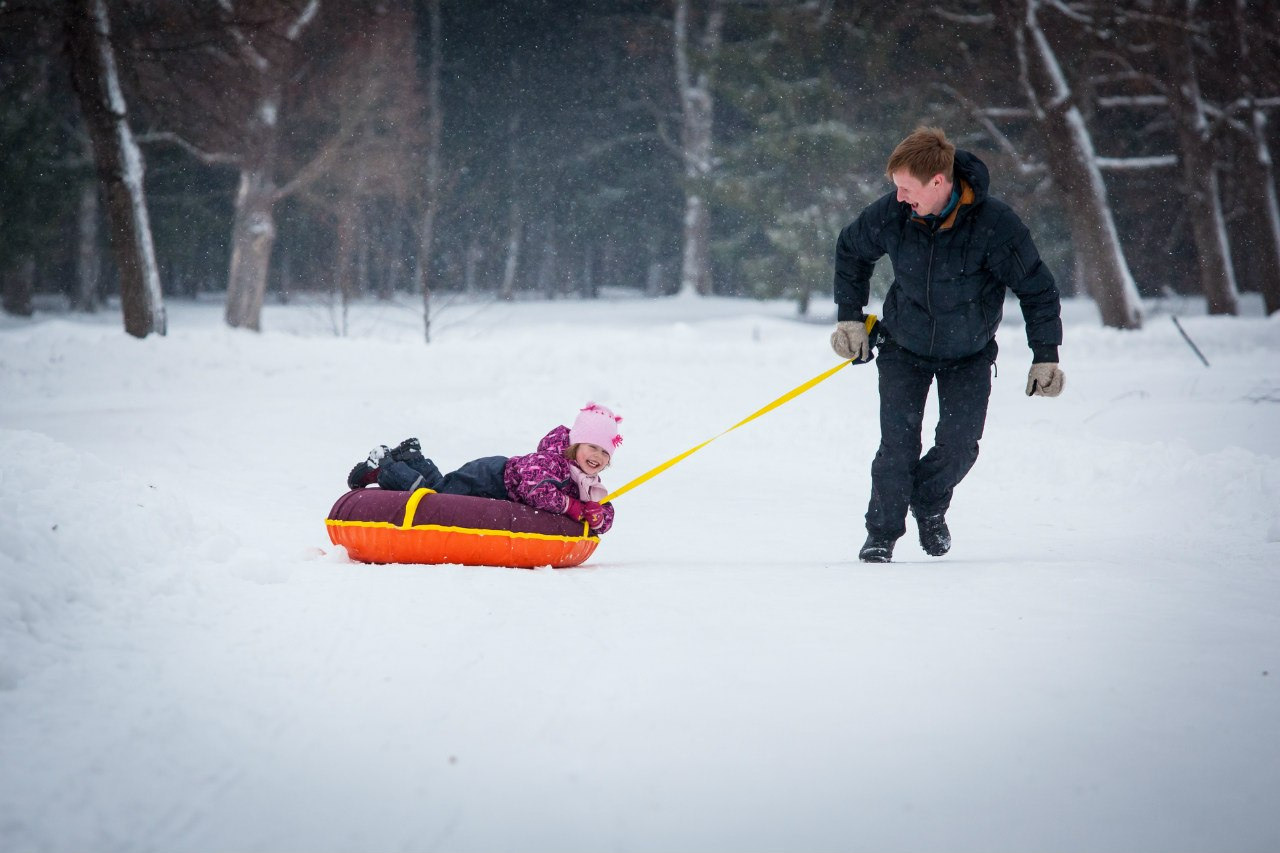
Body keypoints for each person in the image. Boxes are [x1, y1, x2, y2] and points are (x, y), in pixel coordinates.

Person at [830, 126, 1064, 563]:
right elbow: (851, 249)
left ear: (938, 182)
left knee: (960, 446)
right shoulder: (894, 214)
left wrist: (1045, 355)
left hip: (969, 355)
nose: (899, 197)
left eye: (906, 188)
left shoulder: (996, 225)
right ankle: (881, 535)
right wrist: (850, 316)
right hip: (903, 346)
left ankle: (929, 502)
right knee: (897, 447)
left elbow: (1037, 289)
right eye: (896, 188)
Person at [346, 403, 622, 535]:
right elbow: (535, 492)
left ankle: (412, 457)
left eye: (604, 452)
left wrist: (598, 518)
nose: (597, 456)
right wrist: (573, 507)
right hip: (490, 477)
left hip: (493, 479)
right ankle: (385, 467)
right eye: (592, 447)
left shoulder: (589, 481)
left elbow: (605, 510)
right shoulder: (551, 461)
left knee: (444, 487)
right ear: (575, 445)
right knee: (438, 497)